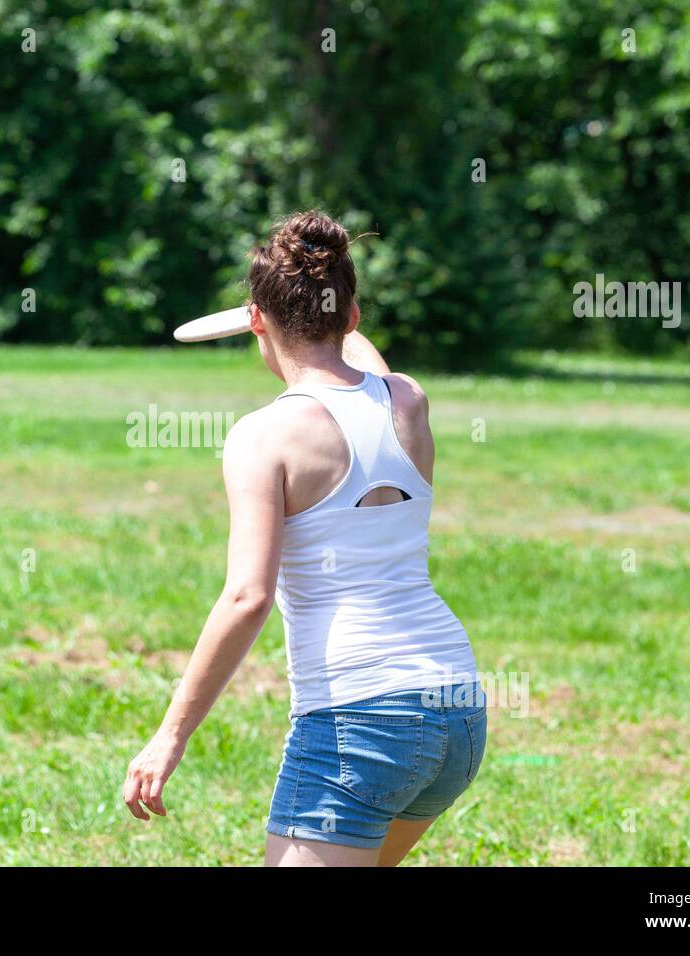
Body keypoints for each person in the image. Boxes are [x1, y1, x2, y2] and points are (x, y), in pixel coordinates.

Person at [121, 211, 486, 866]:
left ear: (258, 321)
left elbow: (246, 598)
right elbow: (359, 358)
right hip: (455, 711)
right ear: (351, 315)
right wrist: (323, 304)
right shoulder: (407, 402)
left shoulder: (264, 437)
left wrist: (168, 738)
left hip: (362, 717)